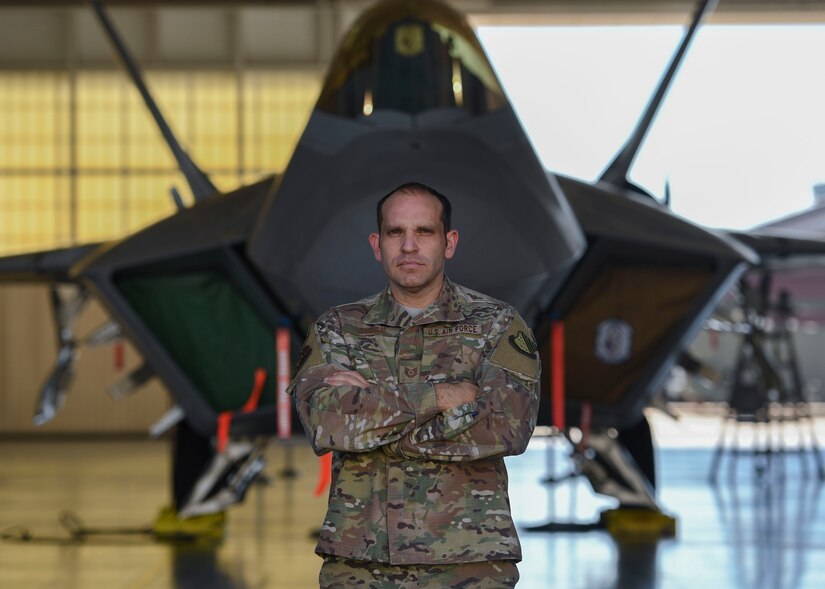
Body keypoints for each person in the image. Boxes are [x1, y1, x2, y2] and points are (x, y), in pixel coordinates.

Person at [288, 182, 540, 588]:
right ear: (377, 244)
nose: (409, 246)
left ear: (449, 242)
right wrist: (443, 397)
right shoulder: (337, 327)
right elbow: (325, 422)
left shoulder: (497, 324)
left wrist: (371, 416)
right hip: (359, 567)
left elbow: (508, 426)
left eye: (424, 231)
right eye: (395, 232)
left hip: (470, 565)